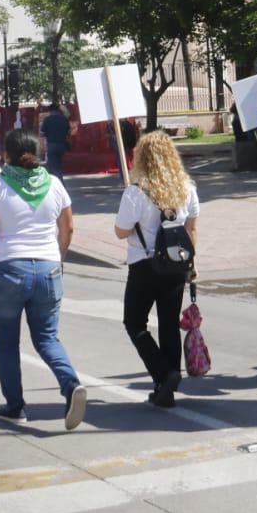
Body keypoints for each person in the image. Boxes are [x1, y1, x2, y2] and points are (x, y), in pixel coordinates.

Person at [0, 128, 86, 428]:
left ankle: (15, 407)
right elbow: (68, 228)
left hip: (8, 271)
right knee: (47, 337)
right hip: (48, 269)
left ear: (7, 155)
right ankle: (71, 386)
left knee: (6, 343)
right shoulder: (54, 184)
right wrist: (58, 258)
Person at [112, 130, 200, 408]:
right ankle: (166, 387)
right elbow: (191, 229)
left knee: (135, 323)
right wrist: (191, 265)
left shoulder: (136, 191)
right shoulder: (186, 187)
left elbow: (121, 232)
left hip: (144, 265)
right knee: (169, 325)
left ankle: (164, 373)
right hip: (176, 265)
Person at [41, 103, 71, 180]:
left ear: (50, 111)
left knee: (54, 166)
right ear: (58, 110)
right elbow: (69, 132)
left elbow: (42, 133)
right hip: (62, 145)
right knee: (57, 164)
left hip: (52, 145)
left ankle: (59, 183)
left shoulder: (47, 119)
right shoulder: (64, 119)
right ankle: (56, 181)